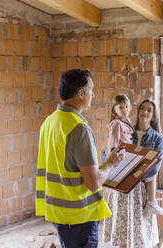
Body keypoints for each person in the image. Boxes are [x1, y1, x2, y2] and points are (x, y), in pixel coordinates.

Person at [35, 69, 125, 248]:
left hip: (58, 214)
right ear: (81, 93)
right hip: (79, 218)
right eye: (91, 89)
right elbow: (93, 182)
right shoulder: (79, 129)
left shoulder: (50, 122)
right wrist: (110, 163)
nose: (94, 94)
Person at [103, 98, 163, 248]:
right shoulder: (127, 129)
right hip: (121, 187)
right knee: (122, 234)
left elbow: (154, 169)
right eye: (142, 108)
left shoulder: (158, 138)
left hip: (140, 190)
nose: (144, 112)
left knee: (141, 237)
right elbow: (108, 154)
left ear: (154, 115)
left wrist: (131, 168)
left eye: (149, 110)